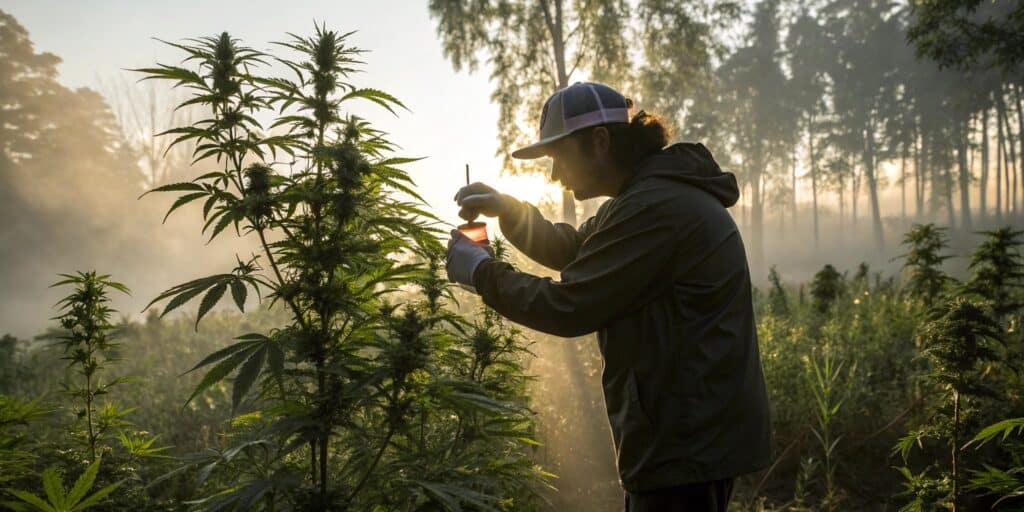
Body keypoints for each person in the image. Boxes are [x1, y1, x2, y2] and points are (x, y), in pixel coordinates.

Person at [445, 82, 773, 512]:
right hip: (687, 434)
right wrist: (508, 209)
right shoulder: (643, 198)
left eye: (559, 156)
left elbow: (570, 307)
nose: (554, 175)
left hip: (685, 442)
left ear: (600, 141)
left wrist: (482, 272)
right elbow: (573, 249)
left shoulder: (654, 206)